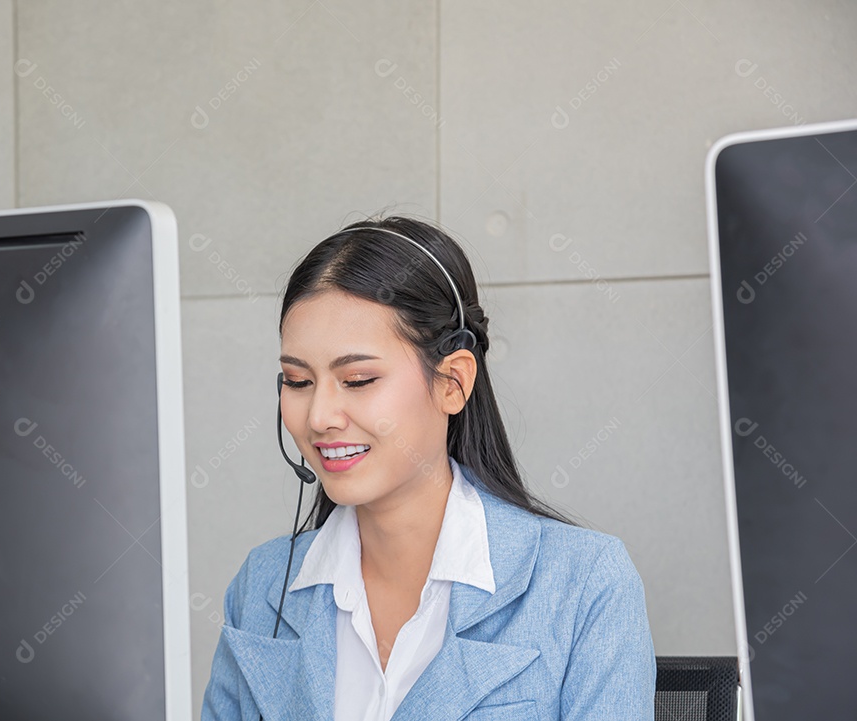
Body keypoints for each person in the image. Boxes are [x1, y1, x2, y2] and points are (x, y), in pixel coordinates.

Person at [201, 215, 656, 720]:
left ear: (452, 382)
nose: (319, 418)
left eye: (357, 379)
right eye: (298, 380)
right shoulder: (262, 585)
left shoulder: (585, 582)